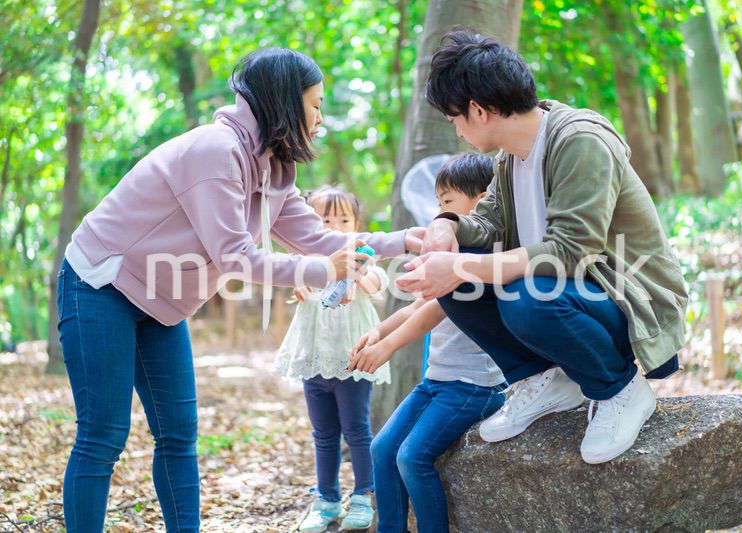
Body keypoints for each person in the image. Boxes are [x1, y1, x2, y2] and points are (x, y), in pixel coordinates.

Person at [55, 48, 423, 532]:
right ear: (285, 102)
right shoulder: (216, 152)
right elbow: (236, 256)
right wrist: (322, 272)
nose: (319, 118)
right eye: (314, 104)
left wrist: (403, 240)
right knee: (103, 434)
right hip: (100, 283)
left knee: (179, 434)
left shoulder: (271, 168)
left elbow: (321, 239)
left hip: (160, 304)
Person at [396, 30, 688, 465]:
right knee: (463, 282)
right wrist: (446, 225)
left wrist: (459, 267)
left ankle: (619, 389)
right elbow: (488, 224)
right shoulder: (510, 157)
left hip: (626, 302)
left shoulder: (580, 140)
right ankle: (548, 380)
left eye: (454, 118)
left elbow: (571, 252)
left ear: (478, 110)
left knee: (522, 293)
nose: (455, 130)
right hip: (572, 301)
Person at [348, 153, 507, 533]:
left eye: (448, 203)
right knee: (381, 450)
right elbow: (418, 305)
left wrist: (387, 348)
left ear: (482, 200)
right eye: (439, 204)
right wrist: (378, 331)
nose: (440, 215)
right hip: (438, 382)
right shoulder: (451, 256)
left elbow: (436, 311)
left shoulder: (482, 256)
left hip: (473, 387)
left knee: (412, 457)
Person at [274, 185, 389, 532]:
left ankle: (363, 496)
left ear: (357, 224)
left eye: (344, 219)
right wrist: (306, 281)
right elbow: (298, 288)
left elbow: (376, 284)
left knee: (356, 430)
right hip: (315, 359)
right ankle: (326, 499)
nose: (336, 227)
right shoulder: (308, 263)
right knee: (323, 432)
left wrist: (356, 272)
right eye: (325, 220)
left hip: (353, 361)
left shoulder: (366, 258)